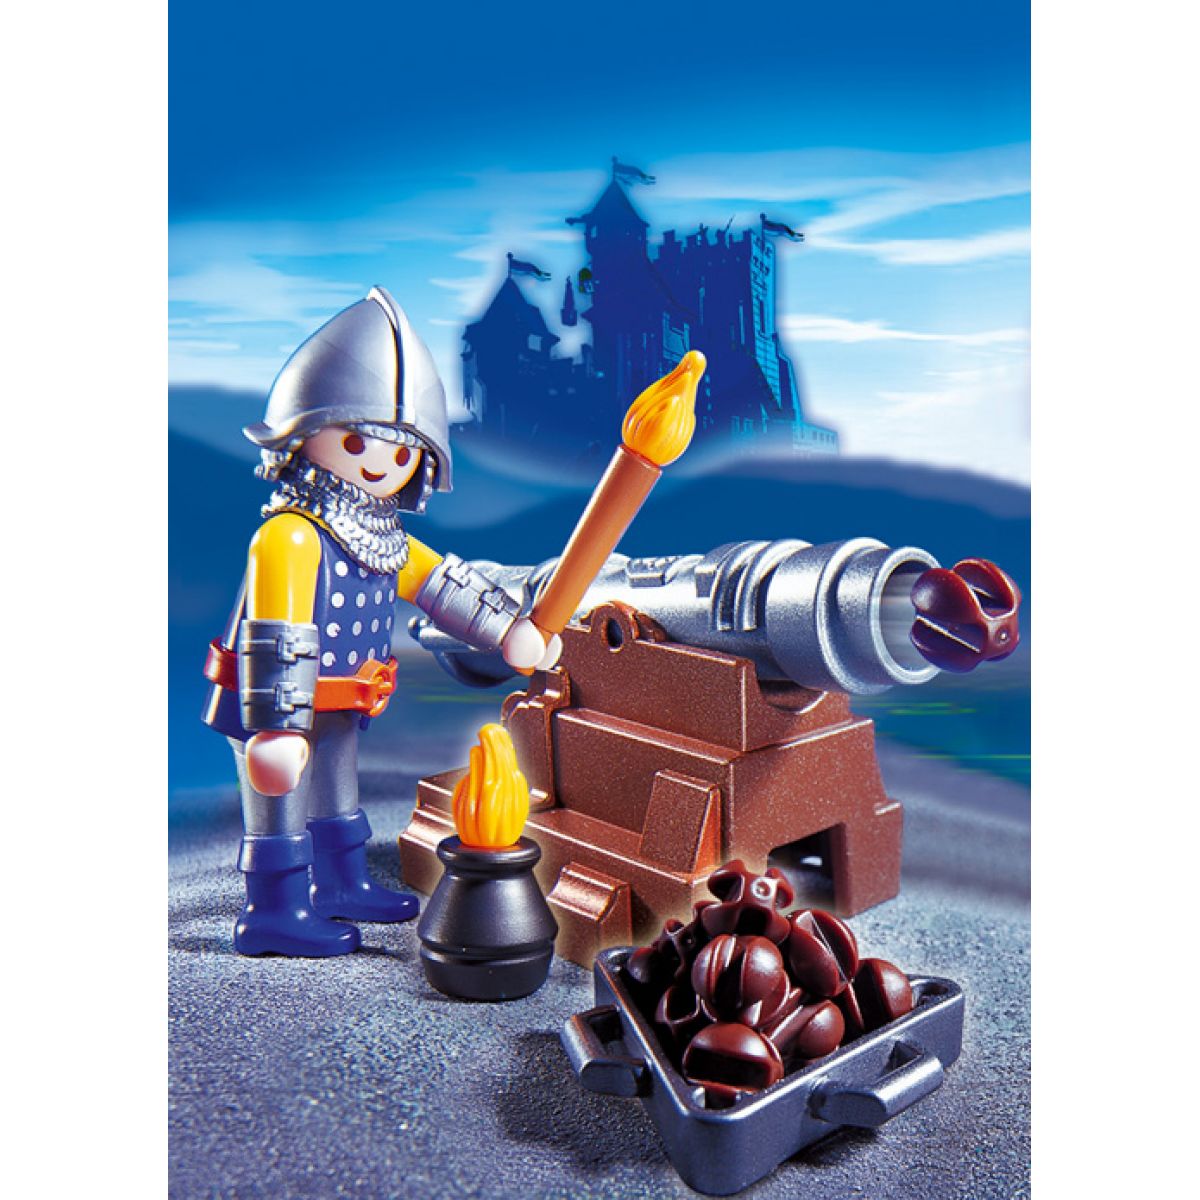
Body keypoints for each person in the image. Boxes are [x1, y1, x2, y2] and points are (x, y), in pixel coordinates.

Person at [202, 287, 559, 957]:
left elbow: (443, 586)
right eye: (357, 440)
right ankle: (274, 911)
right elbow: (276, 637)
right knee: (282, 801)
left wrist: (507, 629)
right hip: (272, 707)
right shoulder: (290, 536)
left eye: (401, 453)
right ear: (303, 432)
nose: (379, 463)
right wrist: (277, 727)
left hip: (344, 698)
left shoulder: (381, 535)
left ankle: (340, 882)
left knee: (337, 788)